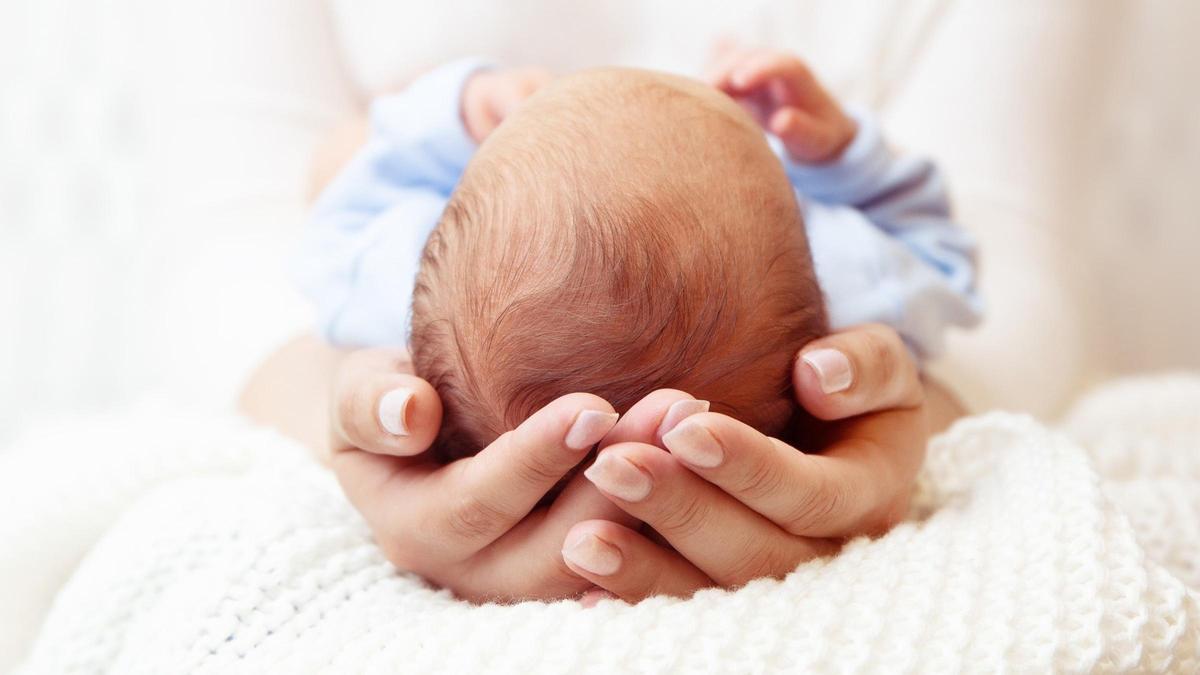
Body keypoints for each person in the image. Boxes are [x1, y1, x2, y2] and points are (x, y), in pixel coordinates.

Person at [241, 46, 979, 603]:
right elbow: (940, 247)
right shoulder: (856, 280)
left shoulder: (390, 278)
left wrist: (451, 113)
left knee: (347, 154)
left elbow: (348, 185)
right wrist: (841, 157)